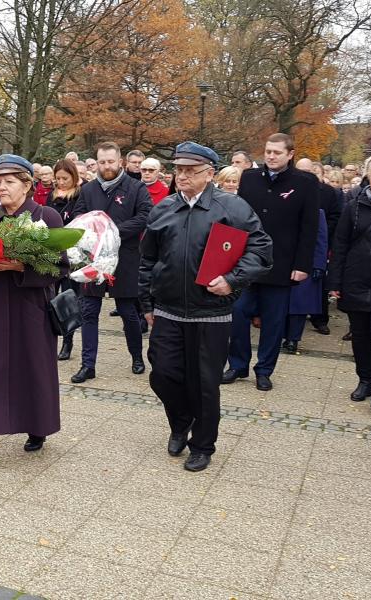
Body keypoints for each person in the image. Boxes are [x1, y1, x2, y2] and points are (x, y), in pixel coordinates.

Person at [140, 141, 272, 471]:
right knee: (163, 374)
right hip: (168, 309)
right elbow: (147, 259)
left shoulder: (232, 207)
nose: (182, 176)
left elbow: (261, 250)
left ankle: (202, 444)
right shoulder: (164, 208)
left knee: (204, 384)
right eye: (178, 170)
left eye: (190, 170)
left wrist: (232, 279)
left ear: (209, 174)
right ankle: (180, 421)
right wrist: (146, 301)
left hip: (211, 311)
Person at [0, 154, 67, 476]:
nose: (2, 187)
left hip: (29, 309)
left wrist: (22, 267)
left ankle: (37, 426)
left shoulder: (45, 216)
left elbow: (60, 267)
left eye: (9, 182)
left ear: (27, 185)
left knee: (33, 372)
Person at [223, 133, 319, 391]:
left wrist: (303, 265)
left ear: (290, 154)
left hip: (282, 263)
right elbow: (239, 220)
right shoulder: (250, 177)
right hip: (248, 262)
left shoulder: (305, 182)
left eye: (277, 152)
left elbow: (309, 227)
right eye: (268, 151)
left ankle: (264, 370)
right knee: (238, 313)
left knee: (274, 321)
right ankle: (237, 365)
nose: (271, 156)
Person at [71, 142, 152, 383]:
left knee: (128, 312)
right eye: (102, 162)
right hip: (94, 259)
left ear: (120, 162)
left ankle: (136, 356)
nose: (106, 166)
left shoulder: (136, 187)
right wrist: (91, 228)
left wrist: (112, 230)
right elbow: (78, 215)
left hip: (125, 257)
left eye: (111, 162)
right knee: (89, 311)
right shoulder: (88, 189)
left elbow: (145, 216)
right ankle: (88, 365)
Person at [328, 156, 371, 410]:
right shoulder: (354, 206)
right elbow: (340, 244)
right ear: (367, 177)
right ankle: (364, 380)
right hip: (356, 279)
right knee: (360, 335)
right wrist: (335, 281)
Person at [294, 157, 343, 335]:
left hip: (319, 241)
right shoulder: (291, 188)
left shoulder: (329, 192)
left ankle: (320, 319)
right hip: (294, 244)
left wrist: (319, 231)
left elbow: (335, 216)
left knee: (317, 285)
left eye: (309, 172)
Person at [48, 158, 81, 360]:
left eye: (65, 178)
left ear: (73, 177)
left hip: (71, 255)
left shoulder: (79, 196)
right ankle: (50, 338)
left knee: (68, 299)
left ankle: (68, 341)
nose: (61, 182)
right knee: (50, 297)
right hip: (52, 253)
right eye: (58, 178)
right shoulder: (51, 196)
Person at [283, 209, 328, 353]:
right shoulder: (282, 206)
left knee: (299, 304)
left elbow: (321, 240)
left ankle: (293, 339)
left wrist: (319, 265)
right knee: (281, 302)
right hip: (282, 263)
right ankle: (284, 335)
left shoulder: (317, 212)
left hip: (306, 264)